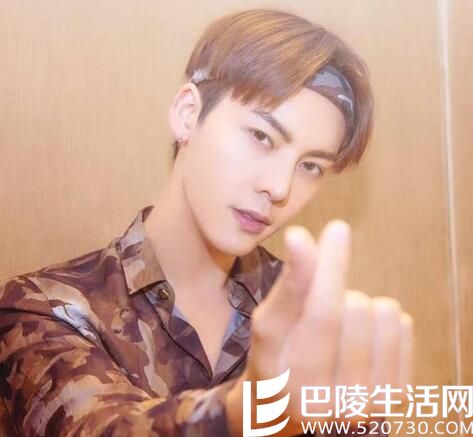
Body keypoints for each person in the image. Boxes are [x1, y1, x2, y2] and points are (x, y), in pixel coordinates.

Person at [0, 8, 413, 437]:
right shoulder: (47, 308)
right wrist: (254, 408)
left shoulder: (306, 319)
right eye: (261, 137)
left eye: (311, 166)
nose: (279, 187)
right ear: (187, 114)